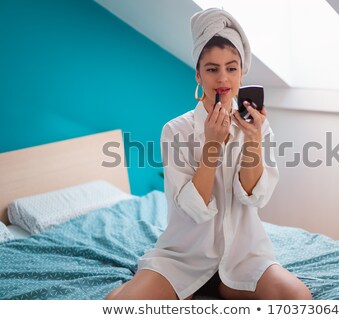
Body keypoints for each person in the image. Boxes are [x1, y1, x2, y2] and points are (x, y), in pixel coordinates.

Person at [106, 8, 312, 300]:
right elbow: (193, 209)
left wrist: (253, 140)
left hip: (244, 255)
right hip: (183, 257)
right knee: (124, 306)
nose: (223, 78)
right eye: (212, 69)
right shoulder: (175, 130)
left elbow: (256, 196)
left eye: (232, 68)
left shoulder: (257, 127)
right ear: (198, 75)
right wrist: (212, 145)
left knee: (298, 300)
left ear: (242, 73)